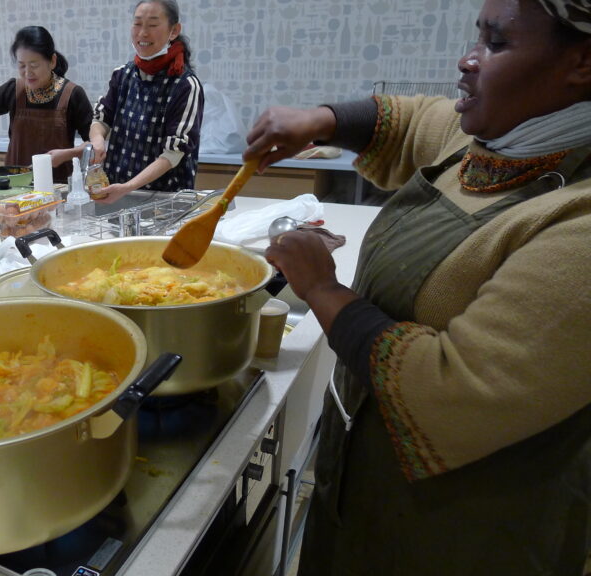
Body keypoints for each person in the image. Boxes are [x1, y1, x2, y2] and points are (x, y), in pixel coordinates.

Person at [244, 0, 591, 573]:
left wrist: (323, 289)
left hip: (470, 530)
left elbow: (452, 391)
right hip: (368, 484)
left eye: (496, 44)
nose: (467, 60)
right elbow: (410, 118)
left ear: (581, 63)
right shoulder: (494, 139)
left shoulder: (575, 223)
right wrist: (319, 119)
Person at [89, 0, 204, 202]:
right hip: (117, 194)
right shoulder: (122, 75)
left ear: (174, 30)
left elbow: (173, 154)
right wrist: (98, 141)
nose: (143, 33)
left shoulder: (185, 86)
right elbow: (101, 119)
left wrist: (128, 187)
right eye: (137, 23)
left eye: (152, 25)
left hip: (164, 201)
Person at [0, 25, 94, 182]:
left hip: (58, 189)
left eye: (34, 65)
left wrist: (66, 154)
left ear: (52, 61)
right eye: (22, 65)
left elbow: (93, 145)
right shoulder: (14, 90)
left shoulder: (73, 94)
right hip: (16, 188)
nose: (27, 72)